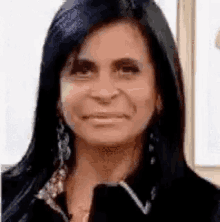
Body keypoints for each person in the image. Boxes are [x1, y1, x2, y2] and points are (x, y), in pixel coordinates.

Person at [2, 0, 220, 221]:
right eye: (83, 70)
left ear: (160, 92)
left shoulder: (209, 210)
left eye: (127, 70)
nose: (104, 92)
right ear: (56, 93)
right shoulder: (7, 201)